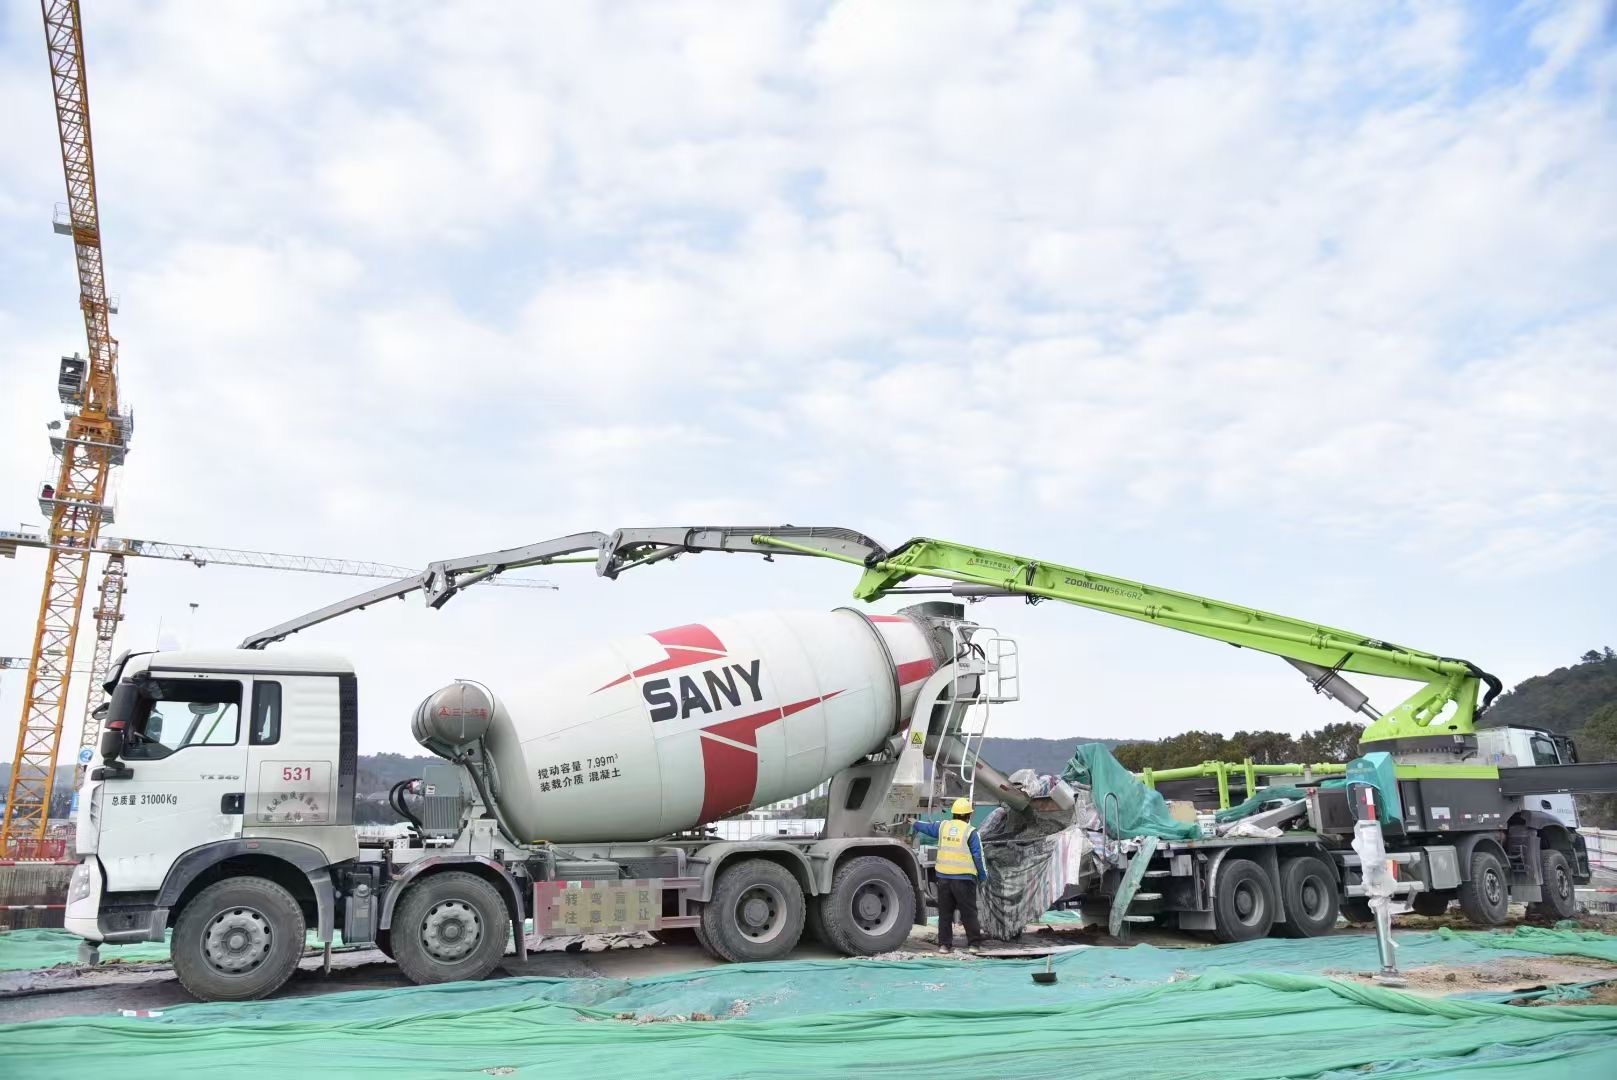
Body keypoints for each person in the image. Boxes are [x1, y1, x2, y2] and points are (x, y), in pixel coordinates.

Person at [913, 797, 986, 953]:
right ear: (969, 815)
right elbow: (978, 856)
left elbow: (927, 828)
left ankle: (944, 945)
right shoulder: (971, 832)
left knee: (945, 914)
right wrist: (982, 876)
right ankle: (974, 945)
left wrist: (914, 823)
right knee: (969, 913)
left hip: (944, 878)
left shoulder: (943, 827)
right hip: (964, 879)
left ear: (953, 814)